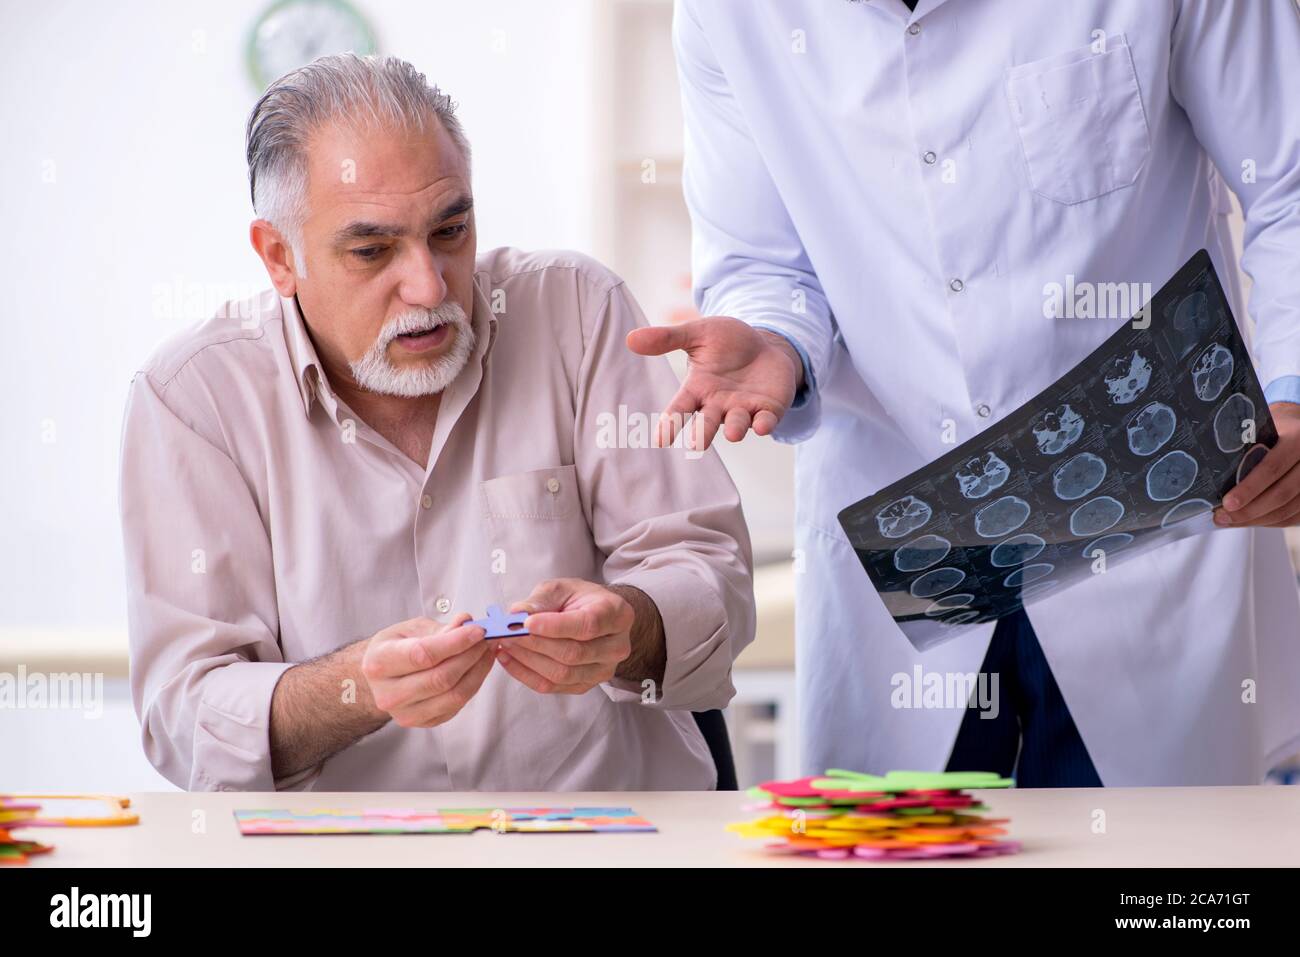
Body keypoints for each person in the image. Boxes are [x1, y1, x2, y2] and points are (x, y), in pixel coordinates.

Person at [629, 0, 1300, 785]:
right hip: (909, 531)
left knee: (1158, 891)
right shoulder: (729, 14)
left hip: (1153, 516)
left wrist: (1293, 392)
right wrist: (776, 340)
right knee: (898, 843)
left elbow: (1287, 177)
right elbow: (761, 263)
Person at [120, 54, 754, 792]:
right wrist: (357, 686)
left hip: (606, 844)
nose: (427, 285)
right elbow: (184, 712)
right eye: (372, 249)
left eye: (450, 230)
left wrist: (629, 628)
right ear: (279, 256)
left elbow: (713, 577)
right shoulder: (191, 399)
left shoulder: (578, 310)